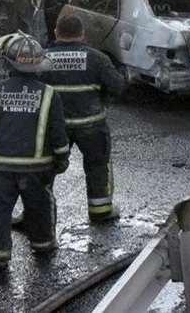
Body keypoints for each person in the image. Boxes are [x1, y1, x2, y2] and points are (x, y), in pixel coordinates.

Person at [0, 32, 70, 270]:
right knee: (40, 205)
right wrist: (62, 157)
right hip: (37, 169)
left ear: (6, 63)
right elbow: (58, 133)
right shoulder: (49, 94)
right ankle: (42, 244)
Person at [40, 14, 126, 223]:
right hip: (92, 125)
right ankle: (100, 211)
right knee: (97, 167)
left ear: (56, 33)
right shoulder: (97, 58)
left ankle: (39, 213)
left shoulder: (42, 59)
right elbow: (118, 87)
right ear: (82, 34)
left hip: (55, 128)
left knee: (43, 170)